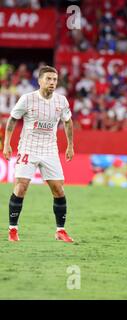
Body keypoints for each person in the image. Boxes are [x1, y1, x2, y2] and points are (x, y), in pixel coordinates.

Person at [2, 66, 75, 242]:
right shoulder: (27, 99)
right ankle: (13, 229)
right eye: (48, 79)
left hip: (50, 149)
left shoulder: (61, 101)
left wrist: (70, 145)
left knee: (58, 189)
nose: (52, 83)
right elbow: (12, 120)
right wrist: (7, 144)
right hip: (28, 147)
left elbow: (68, 122)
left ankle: (60, 230)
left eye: (55, 80)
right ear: (40, 81)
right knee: (21, 186)